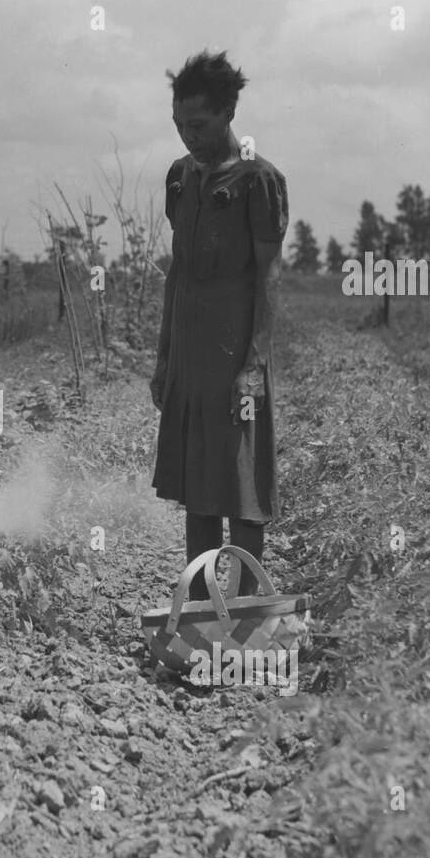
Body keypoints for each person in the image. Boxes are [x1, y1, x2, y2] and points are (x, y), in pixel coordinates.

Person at [150, 51, 288, 599]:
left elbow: (269, 275)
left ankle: (249, 604)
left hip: (236, 359)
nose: (189, 137)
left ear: (229, 113)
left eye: (200, 126)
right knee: (199, 487)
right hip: (190, 355)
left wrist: (253, 365)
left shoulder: (259, 180)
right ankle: (203, 606)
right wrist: (164, 358)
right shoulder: (181, 180)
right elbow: (177, 271)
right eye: (180, 126)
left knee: (242, 487)